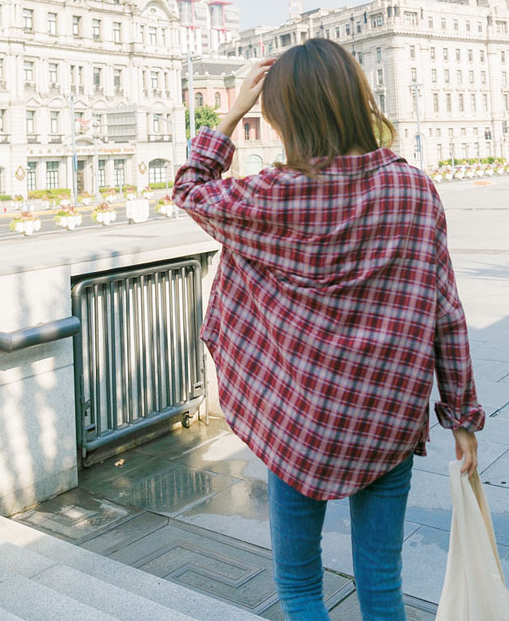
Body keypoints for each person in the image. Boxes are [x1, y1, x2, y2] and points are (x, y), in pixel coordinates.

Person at [173, 38, 484, 621]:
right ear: (355, 100)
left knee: (298, 586)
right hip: (388, 413)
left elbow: (191, 190)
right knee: (382, 586)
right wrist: (463, 417)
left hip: (298, 416)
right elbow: (445, 308)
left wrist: (227, 115)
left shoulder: (270, 197)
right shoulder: (413, 190)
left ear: (284, 117)